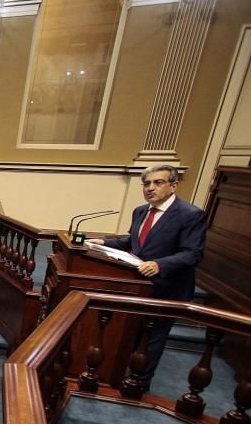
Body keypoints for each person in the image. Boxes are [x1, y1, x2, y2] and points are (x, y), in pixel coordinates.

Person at [86, 165, 206, 390]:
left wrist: (160, 265)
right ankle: (120, 374)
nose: (150, 188)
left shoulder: (191, 215)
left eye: (158, 183)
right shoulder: (141, 211)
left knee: (153, 338)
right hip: (139, 285)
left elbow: (193, 253)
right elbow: (132, 242)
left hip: (168, 287)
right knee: (133, 333)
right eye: (147, 183)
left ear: (173, 186)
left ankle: (139, 384)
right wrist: (102, 242)